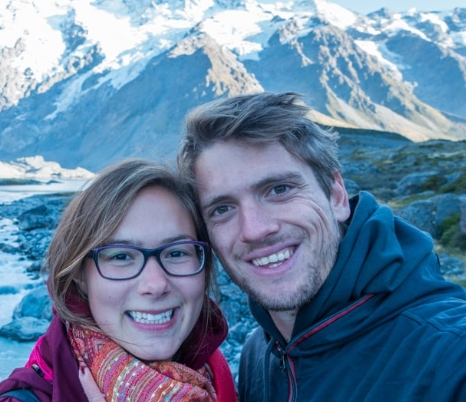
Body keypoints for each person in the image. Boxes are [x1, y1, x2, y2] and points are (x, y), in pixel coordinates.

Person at [177, 91, 466, 401]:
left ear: (336, 196)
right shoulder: (259, 357)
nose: (255, 230)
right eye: (222, 209)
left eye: (279, 189)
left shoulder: (450, 353)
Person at [0, 159, 237, 402]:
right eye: (121, 256)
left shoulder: (217, 372)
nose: (156, 285)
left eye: (176, 253)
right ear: (79, 274)